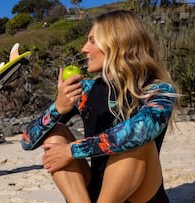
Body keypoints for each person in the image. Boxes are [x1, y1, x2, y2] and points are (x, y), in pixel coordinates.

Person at [21, 10, 179, 203]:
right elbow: (27, 141)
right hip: (95, 193)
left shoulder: (158, 90)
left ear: (118, 44)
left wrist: (71, 150)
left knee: (135, 142)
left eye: (92, 41)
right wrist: (58, 108)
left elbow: (140, 132)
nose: (84, 49)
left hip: (141, 195)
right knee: (56, 133)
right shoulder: (85, 91)